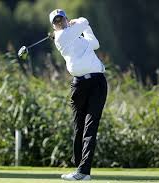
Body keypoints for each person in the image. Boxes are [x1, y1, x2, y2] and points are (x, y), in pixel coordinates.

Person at [49, 9, 108, 181]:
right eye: (56, 21)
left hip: (97, 83)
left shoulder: (77, 38)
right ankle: (79, 167)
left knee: (90, 127)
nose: (59, 23)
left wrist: (84, 27)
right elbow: (84, 20)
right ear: (54, 25)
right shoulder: (61, 37)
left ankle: (83, 172)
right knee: (79, 127)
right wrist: (78, 22)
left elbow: (95, 43)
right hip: (79, 85)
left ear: (65, 19)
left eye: (61, 19)